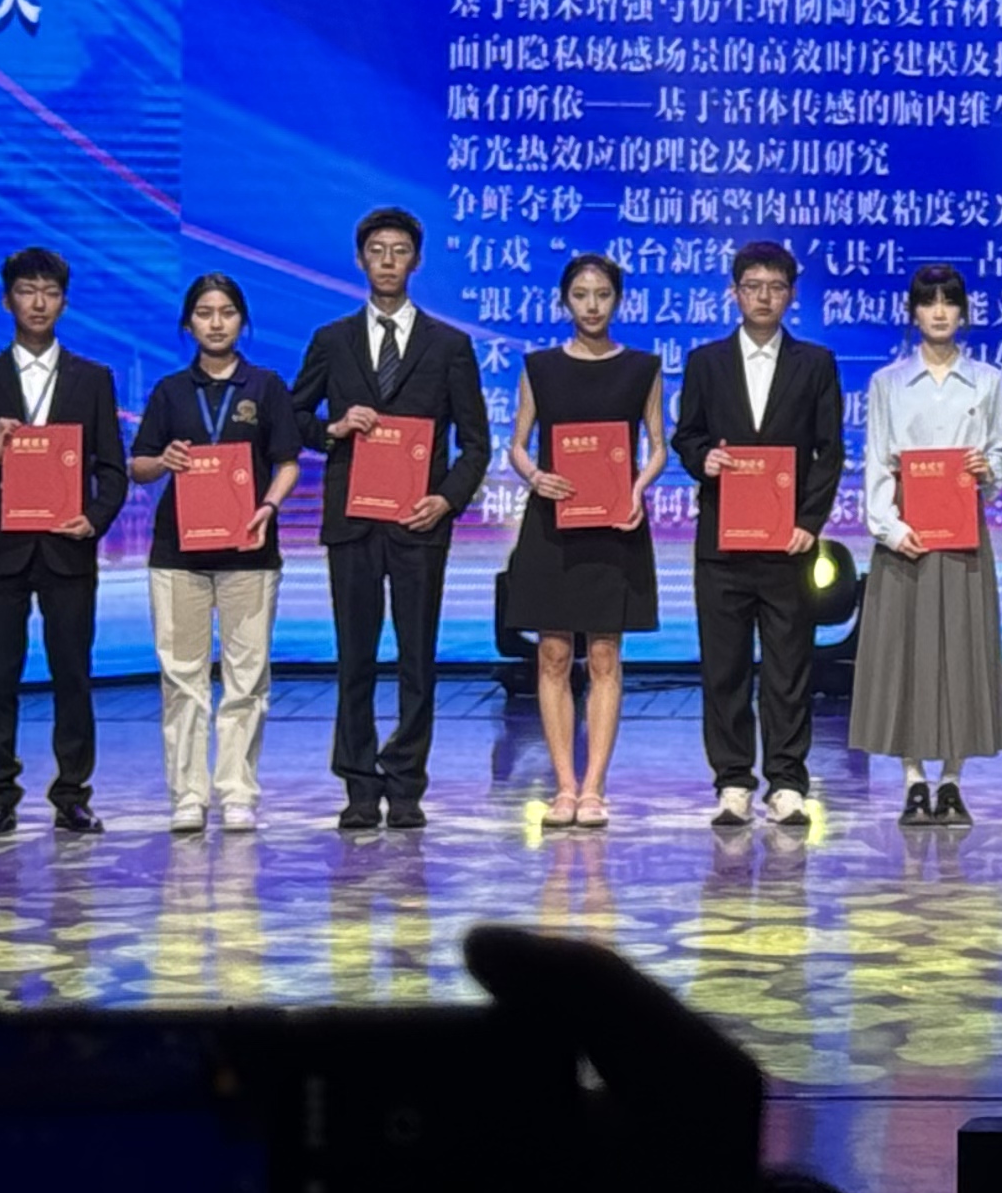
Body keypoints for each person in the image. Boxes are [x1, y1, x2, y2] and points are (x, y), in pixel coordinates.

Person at [283, 206, 494, 832]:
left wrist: (446, 500)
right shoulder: (332, 340)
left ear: (416, 261)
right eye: (377, 250)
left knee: (416, 659)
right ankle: (357, 785)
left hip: (419, 523)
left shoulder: (449, 345)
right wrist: (333, 427)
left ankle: (405, 785)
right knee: (354, 657)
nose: (387, 261)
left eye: (399, 251)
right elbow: (292, 417)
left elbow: (476, 443)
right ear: (360, 259)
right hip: (353, 521)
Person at [0, 244, 129, 837]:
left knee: (73, 675)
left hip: (68, 549)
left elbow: (112, 469)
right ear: (7, 300)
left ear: (64, 302)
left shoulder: (93, 379)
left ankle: (72, 794)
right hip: (2, 551)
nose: (38, 302)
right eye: (27, 291)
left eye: (50, 292)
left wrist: (94, 519)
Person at [669, 237, 848, 829]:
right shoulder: (706, 362)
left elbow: (829, 452)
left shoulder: (815, 363)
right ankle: (732, 781)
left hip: (786, 543)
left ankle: (788, 782)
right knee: (723, 667)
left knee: (787, 668)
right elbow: (687, 435)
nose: (763, 297)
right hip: (722, 542)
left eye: (775, 287)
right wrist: (704, 459)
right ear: (734, 293)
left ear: (791, 295)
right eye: (752, 287)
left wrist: (809, 524)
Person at [123, 272, 303, 833]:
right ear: (188, 323)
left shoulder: (266, 386)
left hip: (250, 549)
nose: (216, 323)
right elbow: (138, 465)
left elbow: (288, 462)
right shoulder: (170, 391)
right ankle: (187, 795)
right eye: (205, 313)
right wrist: (164, 461)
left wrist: (268, 506)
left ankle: (237, 792)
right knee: (182, 679)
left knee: (248, 679)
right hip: (178, 554)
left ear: (242, 321)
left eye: (226, 312)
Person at [500, 251, 667, 832]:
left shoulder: (642, 367)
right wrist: (534, 475)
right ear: (564, 301)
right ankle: (563, 787)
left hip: (615, 524)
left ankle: (594, 786)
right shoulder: (540, 367)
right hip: (554, 523)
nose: (592, 306)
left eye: (602, 295)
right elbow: (517, 444)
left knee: (603, 655)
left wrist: (639, 488)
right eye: (580, 295)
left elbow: (658, 446)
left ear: (617, 300)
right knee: (552, 653)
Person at [857, 261, 1002, 822]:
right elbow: (877, 459)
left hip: (964, 532)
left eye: (950, 301)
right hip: (907, 533)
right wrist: (889, 527)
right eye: (929, 302)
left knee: (961, 653)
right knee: (904, 654)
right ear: (914, 313)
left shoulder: (988, 381)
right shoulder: (888, 383)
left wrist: (987, 468)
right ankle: (912, 779)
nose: (940, 312)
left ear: (964, 312)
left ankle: (951, 779)